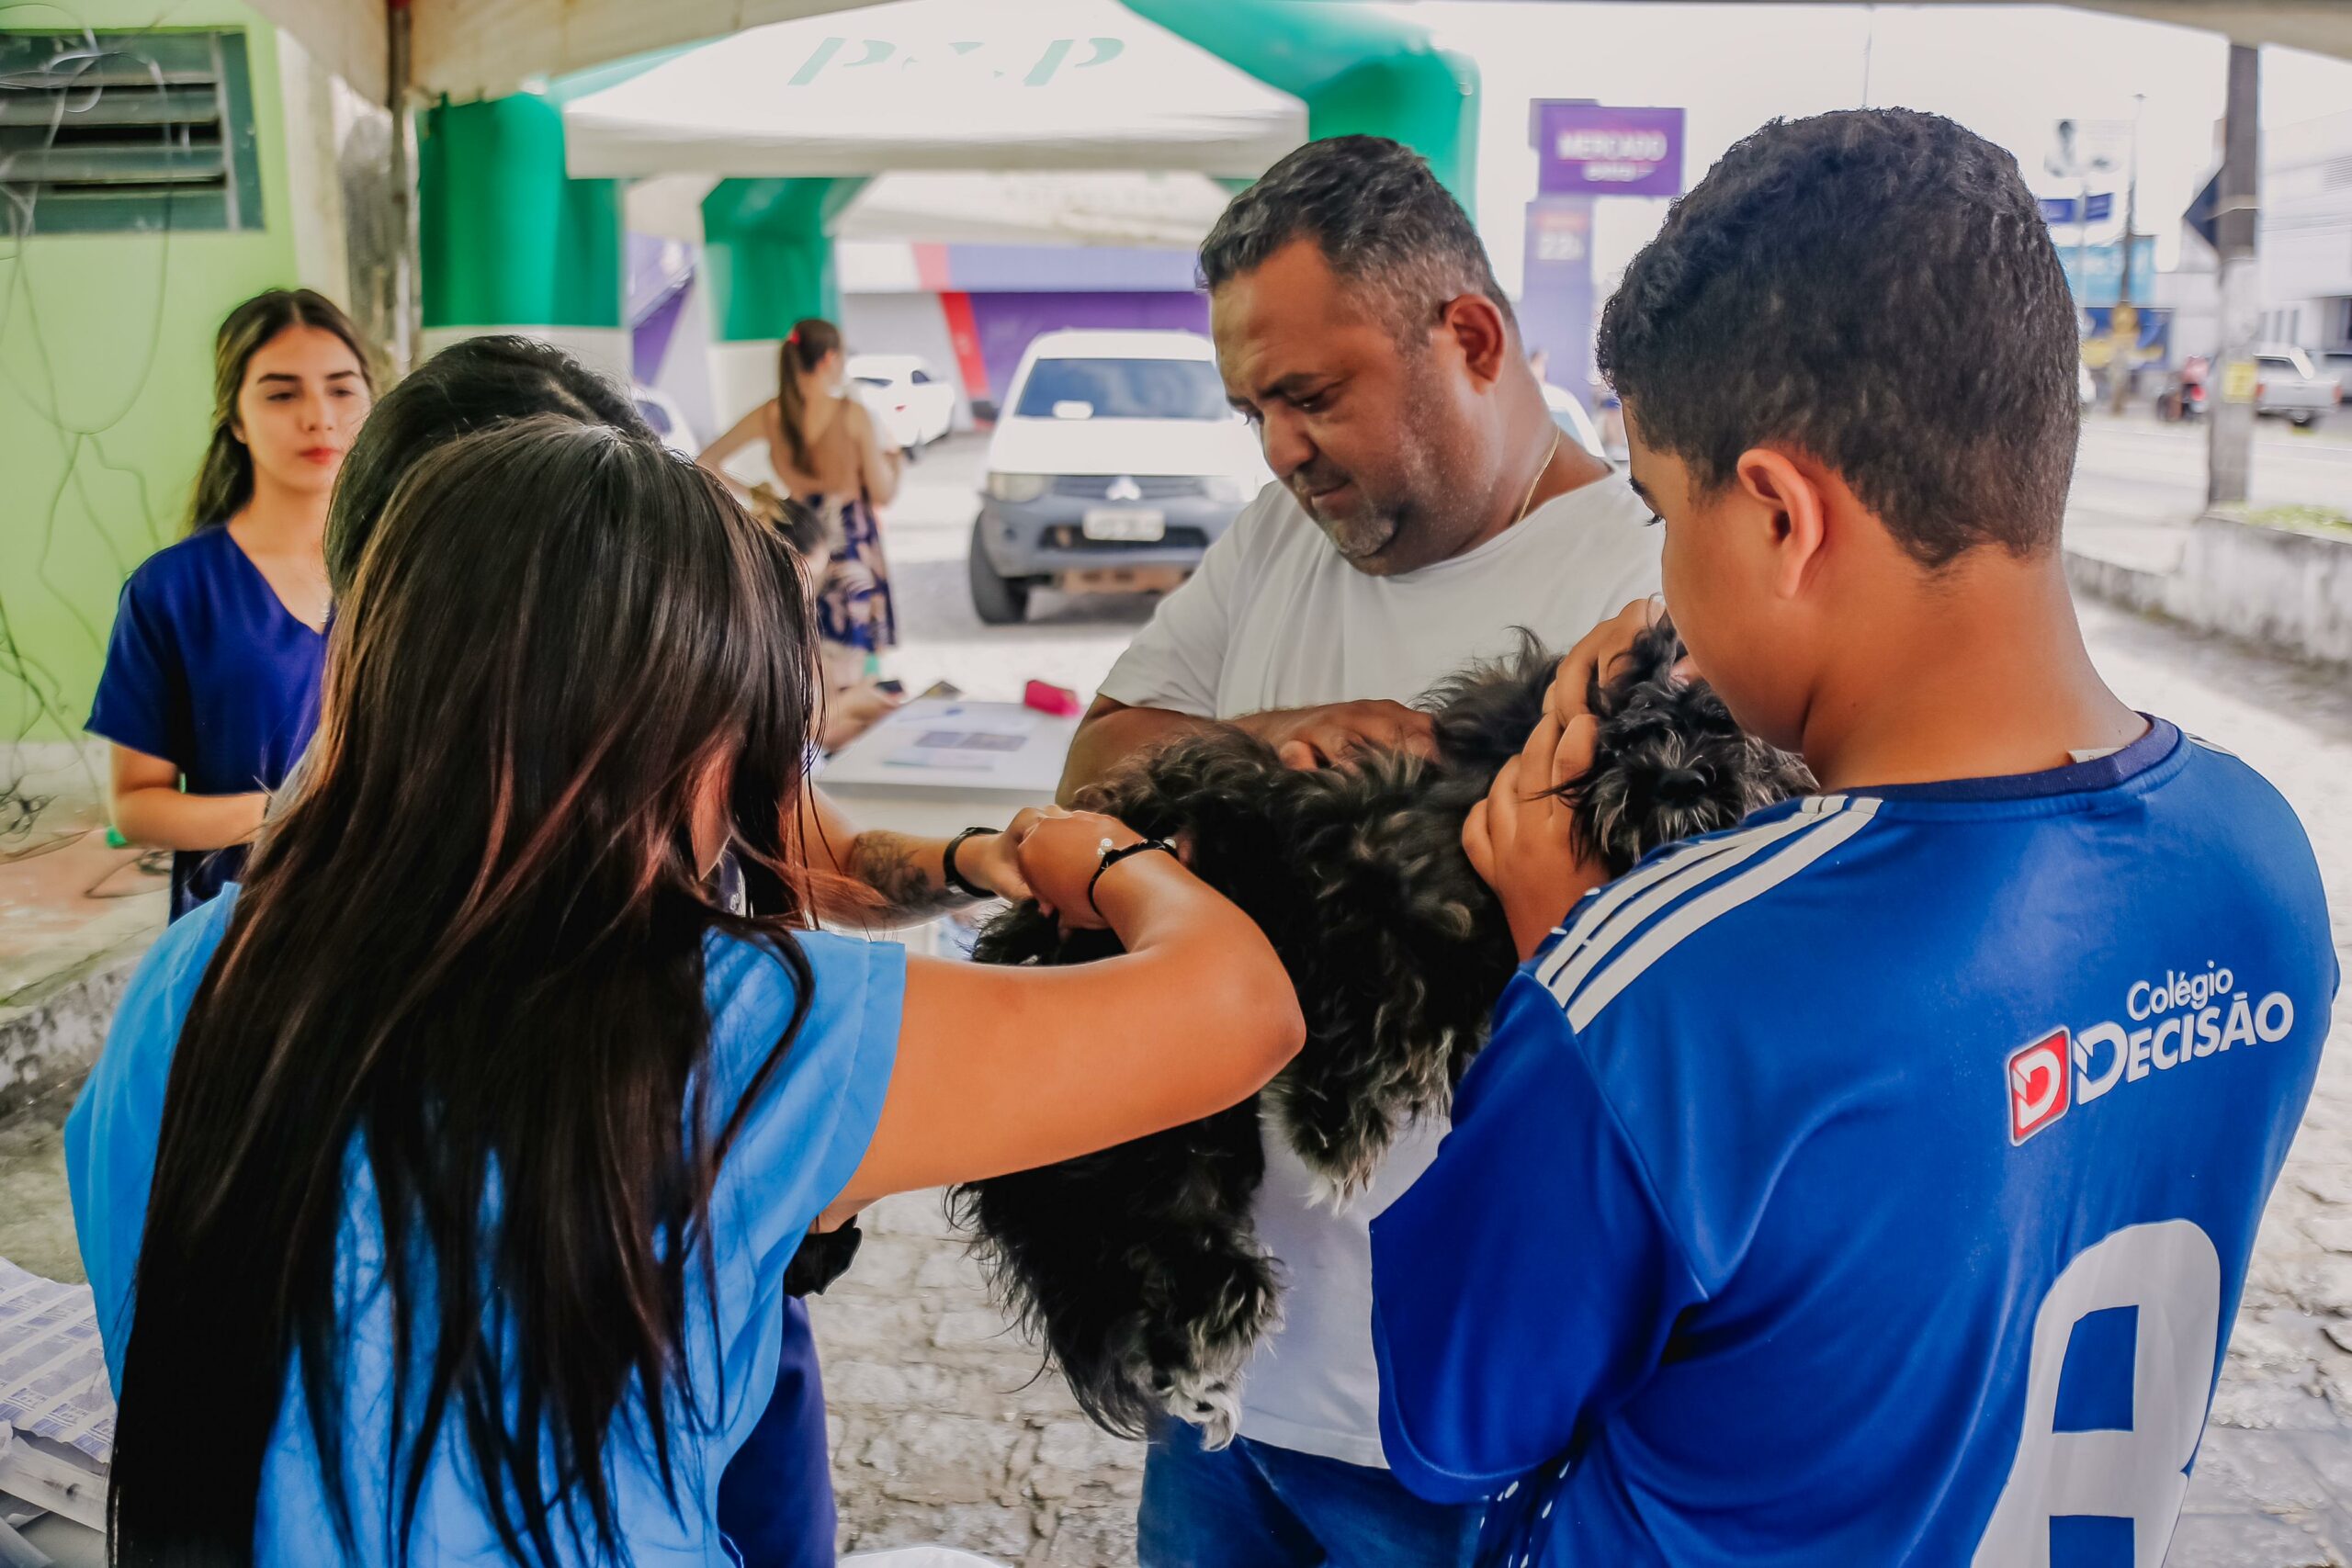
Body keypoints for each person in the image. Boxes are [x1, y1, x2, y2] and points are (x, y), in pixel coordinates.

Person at [67, 415, 1304, 1564]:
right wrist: (1108, 857)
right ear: (695, 739)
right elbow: (1242, 1008)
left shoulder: (193, 975)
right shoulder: (735, 1021)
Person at [1371, 109, 2338, 1565]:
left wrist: (1571, 961)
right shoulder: (2262, 859)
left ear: (1780, 516)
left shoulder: (1664, 991)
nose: (1663, 582)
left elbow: (1455, 1421)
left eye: (1661, 511)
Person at [316, 333, 1038, 1568]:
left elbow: (810, 850)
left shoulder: (740, 970)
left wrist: (979, 859)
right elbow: (1222, 1014)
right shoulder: (307, 904)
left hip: (723, 1301)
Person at [1057, 135, 1661, 1566]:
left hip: (1465, 1418)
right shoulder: (1280, 538)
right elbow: (1089, 775)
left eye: (1312, 396)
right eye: (1253, 408)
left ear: (1472, 338)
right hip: (1230, 1375)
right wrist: (1259, 743)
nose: (1278, 448)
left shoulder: (1641, 579)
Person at [87, 288, 374, 920]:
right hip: (243, 928)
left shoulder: (407, 571)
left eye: (341, 389)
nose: (320, 417)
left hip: (389, 921)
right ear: (236, 420)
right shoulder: (172, 591)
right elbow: (135, 806)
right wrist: (282, 813)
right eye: (281, 394)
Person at [698, 319, 902, 686]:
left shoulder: (772, 413)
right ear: (828, 359)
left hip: (797, 537)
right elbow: (882, 493)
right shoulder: (852, 414)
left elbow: (705, 462)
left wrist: (761, 496)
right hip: (849, 541)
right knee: (848, 667)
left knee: (802, 656)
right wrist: (896, 461)